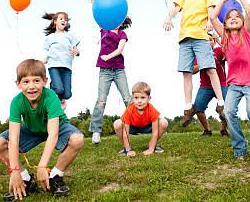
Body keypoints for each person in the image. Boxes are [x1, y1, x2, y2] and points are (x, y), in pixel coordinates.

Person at [0, 59, 84, 200]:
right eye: (26, 82)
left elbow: (53, 134)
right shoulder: (16, 102)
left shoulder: (51, 97)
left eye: (36, 81)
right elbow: (14, 138)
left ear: (44, 81)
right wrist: (15, 171)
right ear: (18, 84)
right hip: (32, 130)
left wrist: (42, 166)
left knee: (77, 139)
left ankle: (55, 176)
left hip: (57, 127)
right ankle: (26, 180)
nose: (32, 87)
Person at [210, 0, 250, 160]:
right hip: (233, 84)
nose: (234, 18)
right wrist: (222, 0)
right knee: (228, 112)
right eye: (229, 17)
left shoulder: (246, 34)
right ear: (225, 23)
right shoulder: (225, 37)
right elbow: (212, 18)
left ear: (242, 21)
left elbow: (248, 11)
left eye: (237, 16)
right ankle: (239, 147)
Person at [163, 0, 226, 126]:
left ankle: (221, 104)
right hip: (184, 39)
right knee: (186, 72)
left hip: (200, 37)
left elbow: (211, 13)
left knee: (210, 69)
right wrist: (167, 18)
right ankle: (187, 108)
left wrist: (212, 22)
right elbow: (175, 9)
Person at [89, 16, 133, 145]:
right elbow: (99, 14)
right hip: (105, 71)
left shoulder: (122, 34)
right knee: (101, 100)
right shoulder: (104, 30)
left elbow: (120, 50)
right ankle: (96, 131)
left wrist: (108, 56)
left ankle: (137, 124)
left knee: (127, 98)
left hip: (119, 70)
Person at [113, 82, 169, 156]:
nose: (139, 101)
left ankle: (152, 145)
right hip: (132, 128)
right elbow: (125, 133)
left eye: (143, 97)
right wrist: (129, 150)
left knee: (164, 122)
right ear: (132, 98)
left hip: (147, 127)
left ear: (149, 98)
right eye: (136, 98)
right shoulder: (129, 110)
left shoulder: (151, 110)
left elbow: (155, 131)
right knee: (117, 123)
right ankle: (126, 148)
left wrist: (151, 149)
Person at [192, 32, 228, 136]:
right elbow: (193, 70)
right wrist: (202, 63)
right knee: (198, 107)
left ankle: (223, 129)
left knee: (227, 105)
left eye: (211, 40)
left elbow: (228, 52)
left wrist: (218, 40)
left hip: (222, 84)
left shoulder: (218, 51)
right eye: (205, 40)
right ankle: (207, 130)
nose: (208, 42)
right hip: (205, 86)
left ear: (214, 42)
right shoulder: (198, 54)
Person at [42, 12, 80, 110]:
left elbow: (77, 51)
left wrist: (76, 52)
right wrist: (41, 62)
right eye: (61, 18)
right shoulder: (50, 37)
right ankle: (52, 91)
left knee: (67, 95)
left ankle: (57, 96)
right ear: (55, 22)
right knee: (58, 89)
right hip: (54, 66)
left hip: (67, 67)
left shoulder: (70, 36)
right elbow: (48, 55)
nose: (64, 20)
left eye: (65, 20)